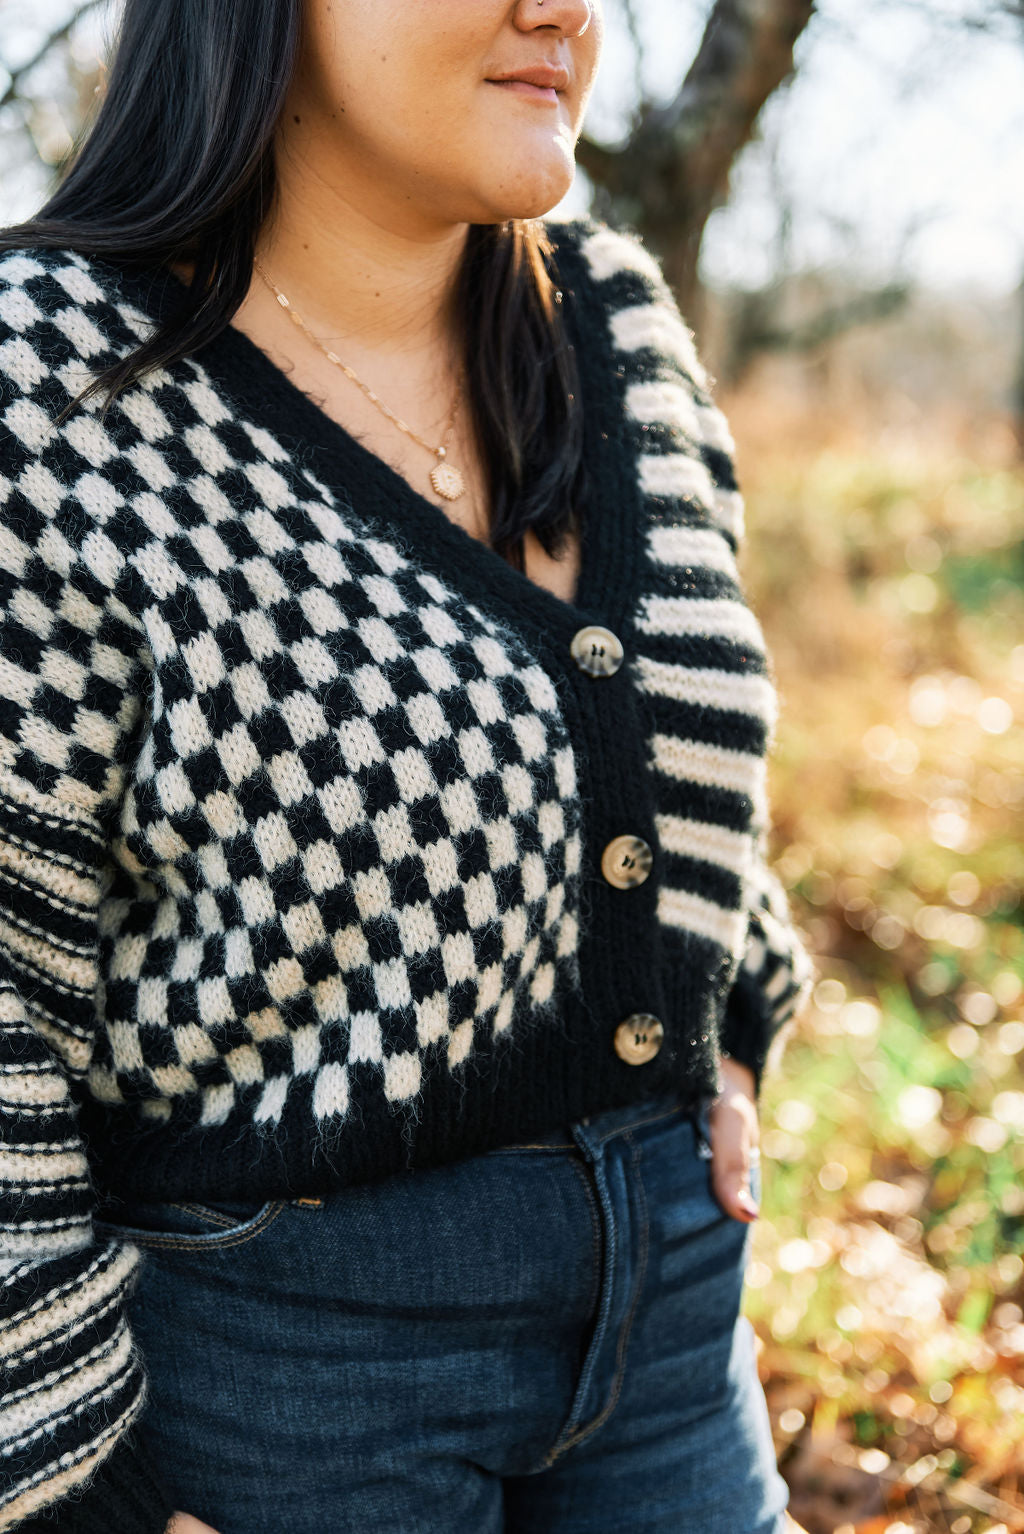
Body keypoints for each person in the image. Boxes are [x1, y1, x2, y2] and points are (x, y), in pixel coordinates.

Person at [0, 1, 814, 1530]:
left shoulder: (614, 324)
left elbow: (677, 737)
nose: (563, 8)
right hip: (288, 1382)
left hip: (672, 1329)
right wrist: (69, 1481)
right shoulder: (45, 388)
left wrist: (735, 1008)